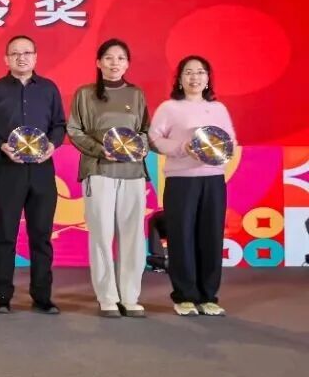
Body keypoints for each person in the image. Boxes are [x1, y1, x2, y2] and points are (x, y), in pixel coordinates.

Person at [0, 35, 66, 315]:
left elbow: (59, 125)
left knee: (41, 235)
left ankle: (42, 296)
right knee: (5, 234)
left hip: (42, 170)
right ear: (6, 59)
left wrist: (52, 145)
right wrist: (1, 146)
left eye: (27, 52)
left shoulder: (49, 89)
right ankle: (2, 296)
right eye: (15, 53)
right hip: (8, 169)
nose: (21, 58)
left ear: (35, 57)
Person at [67, 38, 150, 318]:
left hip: (133, 171)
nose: (115, 63)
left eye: (121, 58)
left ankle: (130, 296)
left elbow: (146, 131)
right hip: (99, 169)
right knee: (102, 234)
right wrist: (102, 150)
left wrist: (137, 147)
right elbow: (75, 130)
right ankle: (107, 297)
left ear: (127, 64)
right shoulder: (85, 94)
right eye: (109, 58)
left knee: (133, 235)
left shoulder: (136, 94)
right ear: (98, 63)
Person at [148, 55, 236, 317]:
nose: (194, 77)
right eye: (188, 72)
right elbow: (154, 139)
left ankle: (208, 296)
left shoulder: (218, 109)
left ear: (208, 79)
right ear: (180, 79)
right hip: (181, 180)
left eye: (200, 72)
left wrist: (218, 151)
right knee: (181, 236)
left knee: (211, 236)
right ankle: (184, 296)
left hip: (213, 178)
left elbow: (230, 140)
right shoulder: (169, 108)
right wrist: (180, 148)